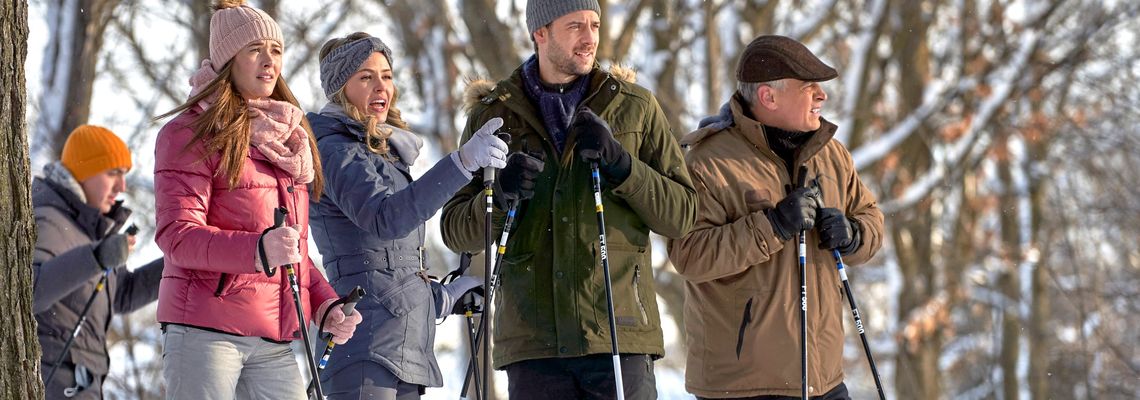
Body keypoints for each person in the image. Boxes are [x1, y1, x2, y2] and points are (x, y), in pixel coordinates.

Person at [440, 0, 697, 398]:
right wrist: (500, 194)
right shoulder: (493, 116)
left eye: (594, 24)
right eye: (575, 25)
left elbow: (682, 214)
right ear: (540, 33)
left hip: (618, 333)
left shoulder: (635, 106)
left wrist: (624, 165)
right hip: (533, 343)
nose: (590, 37)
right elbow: (455, 231)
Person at [152, 1, 360, 398]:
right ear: (229, 59)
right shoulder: (189, 134)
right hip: (205, 333)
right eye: (255, 50)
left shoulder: (285, 139)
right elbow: (177, 236)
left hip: (273, 339)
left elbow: (290, 248)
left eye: (277, 50)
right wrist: (257, 249)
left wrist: (325, 305)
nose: (270, 61)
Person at [667, 35, 885, 400]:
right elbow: (689, 254)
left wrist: (852, 235)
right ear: (768, 97)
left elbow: (872, 219)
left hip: (824, 381)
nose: (822, 95)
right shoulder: (708, 162)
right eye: (809, 87)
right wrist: (772, 226)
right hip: (742, 387)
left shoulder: (832, 156)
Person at [307, 32, 500, 399]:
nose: (382, 86)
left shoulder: (381, 153)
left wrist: (443, 297)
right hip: (362, 347)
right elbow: (386, 219)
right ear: (340, 89)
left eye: (387, 75)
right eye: (365, 77)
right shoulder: (334, 149)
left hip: (403, 347)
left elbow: (390, 266)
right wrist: (461, 163)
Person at [32, 125, 165, 399]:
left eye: (124, 175)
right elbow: (29, 293)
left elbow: (122, 295)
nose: (122, 186)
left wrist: (178, 264)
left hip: (81, 382)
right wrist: (96, 257)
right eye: (113, 172)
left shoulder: (86, 228)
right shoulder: (50, 221)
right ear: (84, 173)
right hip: (54, 382)